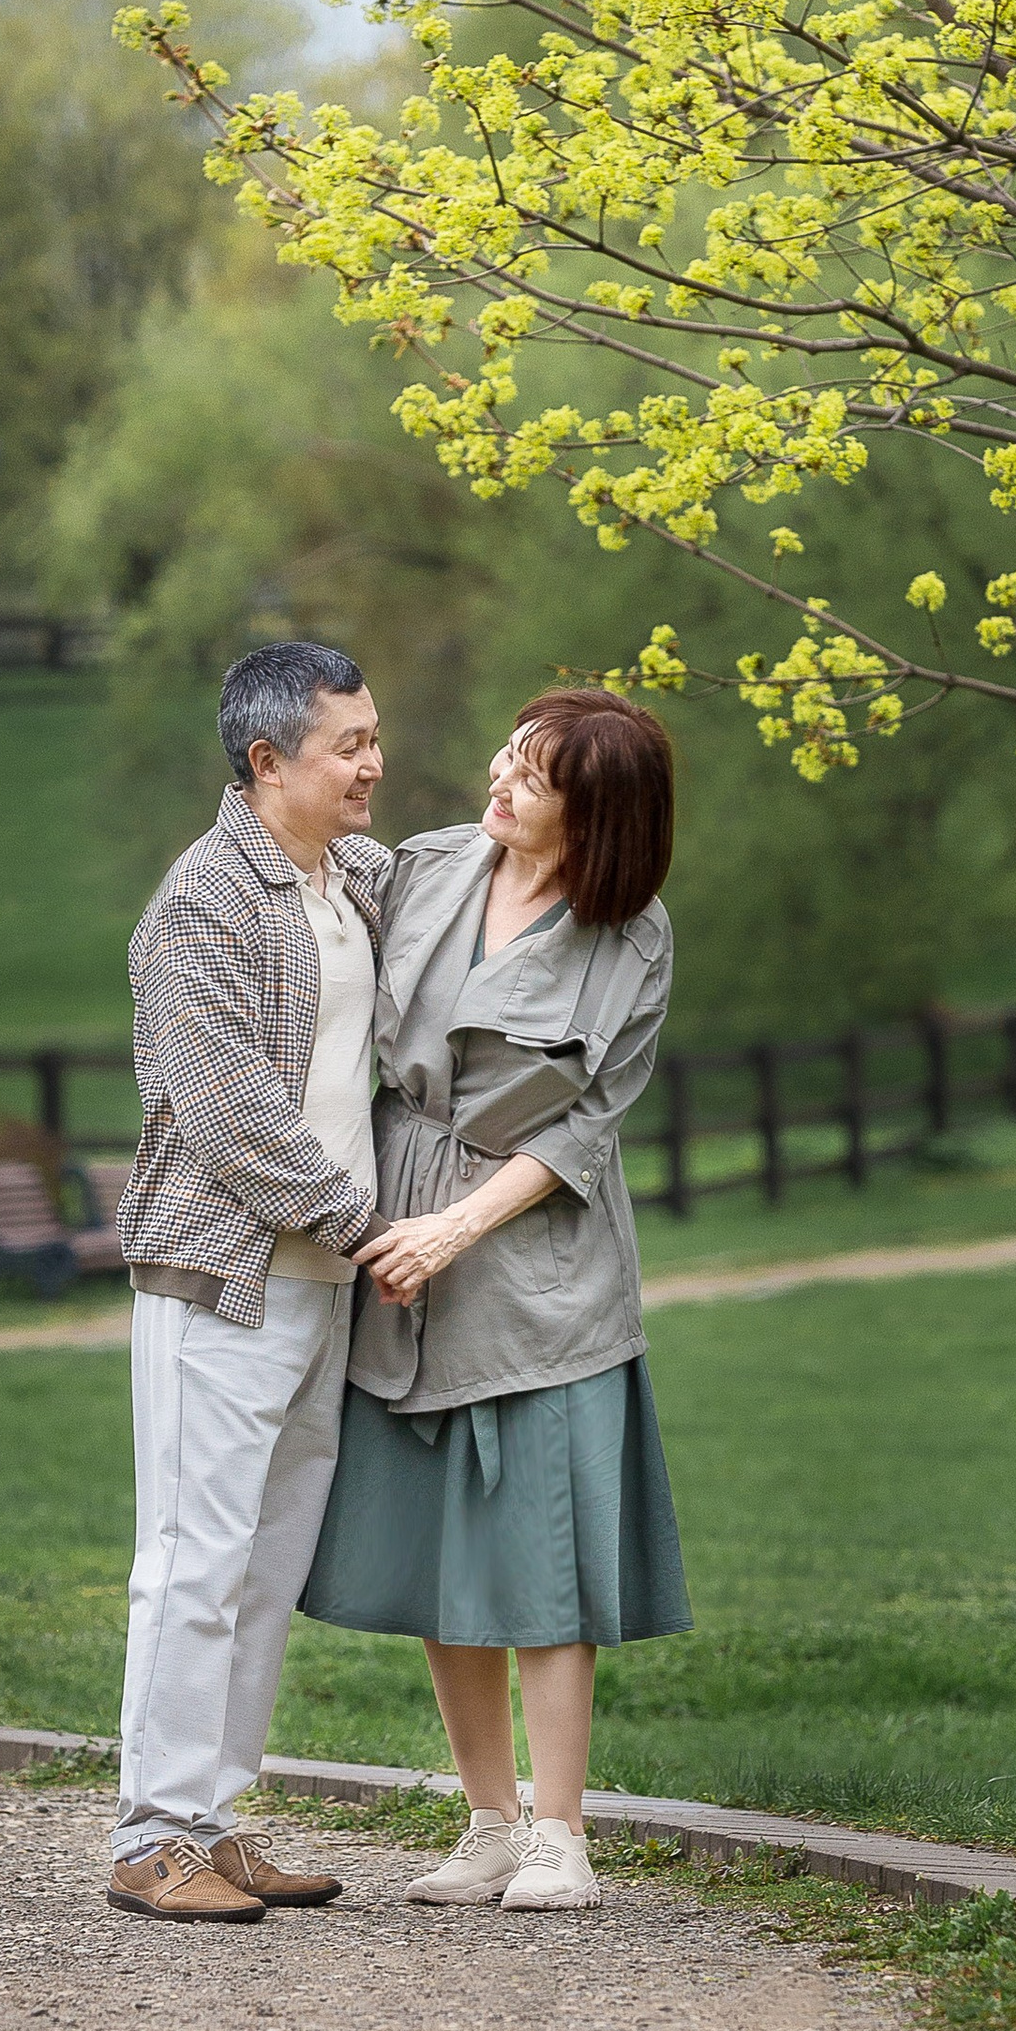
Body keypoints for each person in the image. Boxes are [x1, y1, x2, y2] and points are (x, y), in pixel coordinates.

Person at [299, 687, 689, 1910]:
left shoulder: (630, 937)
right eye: (507, 757)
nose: (498, 780)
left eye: (530, 773)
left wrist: (457, 1228)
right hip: (398, 1225)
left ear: (596, 813)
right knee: (440, 1548)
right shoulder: (424, 868)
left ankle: (560, 1836)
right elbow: (296, 908)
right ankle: (486, 1821)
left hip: (538, 1261)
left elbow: (586, 1126)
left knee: (539, 1551)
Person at [108, 642, 395, 1926]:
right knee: (191, 1559)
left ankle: (212, 1819)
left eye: (375, 739)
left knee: (266, 1564)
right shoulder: (203, 903)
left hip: (319, 1286)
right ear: (267, 761)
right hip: (221, 1281)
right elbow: (220, 1104)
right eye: (349, 746)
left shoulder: (352, 880)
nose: (373, 765)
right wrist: (363, 1224)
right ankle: (149, 1835)